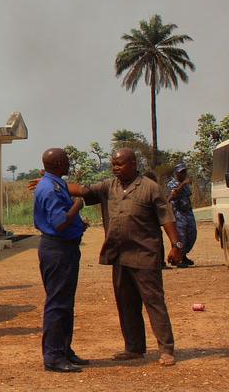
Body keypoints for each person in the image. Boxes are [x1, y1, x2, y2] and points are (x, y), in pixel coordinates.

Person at [65, 148, 182, 366]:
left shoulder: (149, 188)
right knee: (126, 303)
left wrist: (176, 245)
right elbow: (82, 190)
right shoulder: (109, 186)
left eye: (120, 164)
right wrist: (53, 182)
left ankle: (166, 349)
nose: (115, 168)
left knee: (154, 302)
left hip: (145, 254)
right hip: (119, 254)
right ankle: (134, 348)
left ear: (133, 164)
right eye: (114, 164)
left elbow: (166, 217)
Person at [33, 148, 88, 373]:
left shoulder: (54, 184)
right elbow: (59, 223)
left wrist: (79, 224)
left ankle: (64, 350)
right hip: (58, 250)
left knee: (65, 303)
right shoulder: (51, 188)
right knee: (57, 304)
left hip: (63, 248)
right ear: (57, 164)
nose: (69, 164)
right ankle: (54, 356)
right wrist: (78, 204)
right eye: (66, 161)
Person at [167, 163, 196, 268]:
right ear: (176, 173)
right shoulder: (172, 184)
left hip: (188, 212)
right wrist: (183, 184)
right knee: (181, 236)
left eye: (184, 172)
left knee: (192, 235)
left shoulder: (186, 184)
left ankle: (183, 256)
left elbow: (188, 197)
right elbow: (173, 195)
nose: (183, 174)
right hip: (178, 213)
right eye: (181, 172)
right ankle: (178, 259)